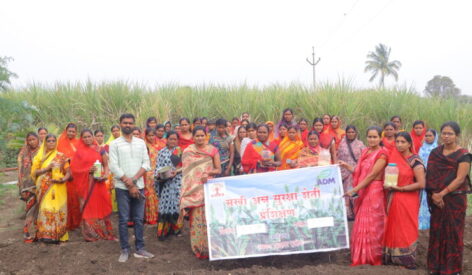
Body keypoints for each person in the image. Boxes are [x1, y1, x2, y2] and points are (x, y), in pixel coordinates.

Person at [426, 121, 471, 275]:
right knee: (437, 232)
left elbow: (460, 179)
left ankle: (452, 269)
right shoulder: (435, 153)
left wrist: (441, 194)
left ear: (456, 135)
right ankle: (435, 267)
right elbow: (430, 175)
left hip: (454, 200)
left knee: (453, 233)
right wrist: (434, 195)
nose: (446, 136)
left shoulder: (464, 155)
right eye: (444, 133)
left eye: (450, 133)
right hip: (437, 200)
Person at [109, 113, 154, 262]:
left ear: (134, 124)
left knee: (139, 219)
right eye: (125, 123)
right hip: (122, 187)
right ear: (120, 124)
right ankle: (125, 249)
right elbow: (113, 166)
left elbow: (146, 164)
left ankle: (140, 248)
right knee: (122, 219)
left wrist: (134, 181)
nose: (127, 125)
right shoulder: (115, 144)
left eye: (130, 123)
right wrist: (128, 183)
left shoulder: (141, 143)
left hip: (139, 186)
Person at [341, 126, 388, 266]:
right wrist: (346, 166)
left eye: (375, 137)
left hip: (374, 191)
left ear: (380, 138)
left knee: (371, 224)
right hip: (363, 190)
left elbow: (372, 175)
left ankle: (372, 257)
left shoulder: (382, 154)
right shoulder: (366, 151)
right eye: (370, 137)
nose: (372, 139)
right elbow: (359, 170)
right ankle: (360, 256)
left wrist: (354, 189)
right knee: (360, 223)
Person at [383, 132, 425, 269]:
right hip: (393, 197)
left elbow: (421, 183)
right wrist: (387, 185)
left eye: (403, 142)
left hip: (408, 198)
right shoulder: (393, 158)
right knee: (393, 225)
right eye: (397, 142)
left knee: (406, 227)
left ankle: (407, 258)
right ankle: (391, 257)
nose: (399, 145)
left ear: (409, 144)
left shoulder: (415, 160)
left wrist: (401, 189)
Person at [180, 126, 221, 259]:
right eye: (197, 136)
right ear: (193, 137)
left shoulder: (212, 150)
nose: (200, 138)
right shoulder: (188, 151)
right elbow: (186, 173)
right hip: (194, 191)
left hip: (208, 189)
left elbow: (218, 170)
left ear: (206, 136)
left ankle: (211, 247)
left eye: (202, 135)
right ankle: (198, 248)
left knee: (210, 218)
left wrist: (208, 172)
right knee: (197, 219)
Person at [70, 129, 116, 241]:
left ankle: (106, 233)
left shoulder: (100, 150)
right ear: (81, 139)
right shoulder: (79, 152)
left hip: (98, 183)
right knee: (87, 207)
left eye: (89, 136)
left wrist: (105, 175)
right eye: (84, 137)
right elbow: (74, 169)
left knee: (101, 205)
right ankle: (91, 234)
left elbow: (106, 165)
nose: (87, 139)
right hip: (85, 184)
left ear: (93, 137)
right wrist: (87, 170)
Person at [31, 134, 70, 243]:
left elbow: (68, 173)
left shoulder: (61, 156)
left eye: (53, 141)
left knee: (57, 209)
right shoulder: (39, 157)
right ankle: (45, 235)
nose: (51, 143)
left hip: (58, 187)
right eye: (49, 141)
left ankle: (58, 235)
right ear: (45, 142)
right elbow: (34, 172)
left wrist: (62, 180)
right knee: (45, 209)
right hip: (43, 188)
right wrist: (47, 168)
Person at [155, 131, 183, 240]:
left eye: (175, 139)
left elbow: (185, 166)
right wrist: (161, 174)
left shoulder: (180, 152)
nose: (172, 141)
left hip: (177, 182)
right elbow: (158, 167)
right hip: (165, 183)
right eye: (170, 139)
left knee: (176, 204)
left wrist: (177, 171)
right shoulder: (161, 152)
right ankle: (164, 231)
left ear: (178, 140)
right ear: (166, 140)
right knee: (164, 205)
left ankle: (176, 229)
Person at [337, 125, 365, 220]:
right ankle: (348, 213)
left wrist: (358, 169)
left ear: (356, 133)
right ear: (346, 133)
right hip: (344, 172)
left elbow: (364, 158)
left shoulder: (360, 144)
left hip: (356, 172)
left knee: (355, 192)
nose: (351, 134)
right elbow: (338, 157)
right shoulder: (341, 144)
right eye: (349, 132)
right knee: (346, 192)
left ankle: (356, 211)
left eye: (353, 132)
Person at [57, 123, 81, 230]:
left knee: (76, 199)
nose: (71, 133)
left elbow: (82, 156)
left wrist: (71, 159)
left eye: (73, 131)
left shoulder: (79, 142)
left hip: (77, 175)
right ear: (66, 131)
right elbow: (57, 156)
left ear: (76, 132)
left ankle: (76, 223)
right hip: (63, 174)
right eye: (69, 131)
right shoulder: (60, 142)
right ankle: (66, 223)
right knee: (65, 199)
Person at [17, 132, 40, 242]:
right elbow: (20, 168)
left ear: (38, 139)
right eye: (29, 140)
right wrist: (20, 184)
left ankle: (37, 233)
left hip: (39, 184)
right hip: (27, 186)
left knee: (38, 210)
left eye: (34, 139)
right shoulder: (23, 152)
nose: (32, 142)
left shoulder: (42, 151)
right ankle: (28, 234)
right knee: (30, 209)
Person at [417, 129, 438, 230]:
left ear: (435, 137)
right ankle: (421, 220)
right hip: (422, 176)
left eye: (430, 136)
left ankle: (431, 220)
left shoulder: (437, 149)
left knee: (430, 198)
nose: (428, 138)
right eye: (426, 136)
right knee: (422, 198)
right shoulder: (421, 148)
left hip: (433, 177)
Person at [143, 127, 160, 225]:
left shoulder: (159, 146)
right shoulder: (144, 146)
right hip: (147, 173)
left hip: (157, 173)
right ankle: (150, 217)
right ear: (146, 136)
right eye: (149, 135)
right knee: (149, 194)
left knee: (156, 194)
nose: (151, 137)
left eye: (153, 135)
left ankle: (158, 215)